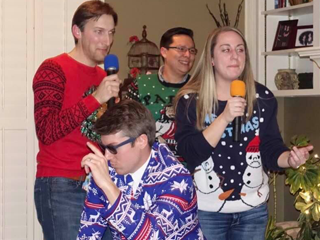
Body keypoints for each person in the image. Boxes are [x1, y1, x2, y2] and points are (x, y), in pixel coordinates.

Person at [174, 26, 313, 240]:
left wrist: (290, 160)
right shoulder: (191, 101)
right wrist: (225, 117)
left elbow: (269, 148)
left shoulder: (262, 97)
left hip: (252, 211)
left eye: (240, 50)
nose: (235, 56)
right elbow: (190, 153)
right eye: (226, 49)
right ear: (211, 58)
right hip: (206, 212)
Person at [32, 1, 121, 240]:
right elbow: (46, 130)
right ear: (77, 31)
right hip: (61, 185)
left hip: (100, 184)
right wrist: (96, 98)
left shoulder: (105, 77)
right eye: (99, 32)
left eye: (111, 33)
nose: (107, 41)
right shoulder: (53, 69)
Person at [77, 100, 205, 240]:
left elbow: (152, 236)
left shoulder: (177, 179)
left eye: (113, 148)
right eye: (104, 148)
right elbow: (88, 233)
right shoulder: (108, 171)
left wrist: (108, 186)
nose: (107, 156)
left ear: (141, 141)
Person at [126, 27, 197, 165]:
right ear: (164, 52)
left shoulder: (201, 88)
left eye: (192, 51)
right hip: (150, 170)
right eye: (181, 49)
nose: (187, 55)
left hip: (192, 172)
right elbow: (127, 129)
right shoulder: (141, 85)